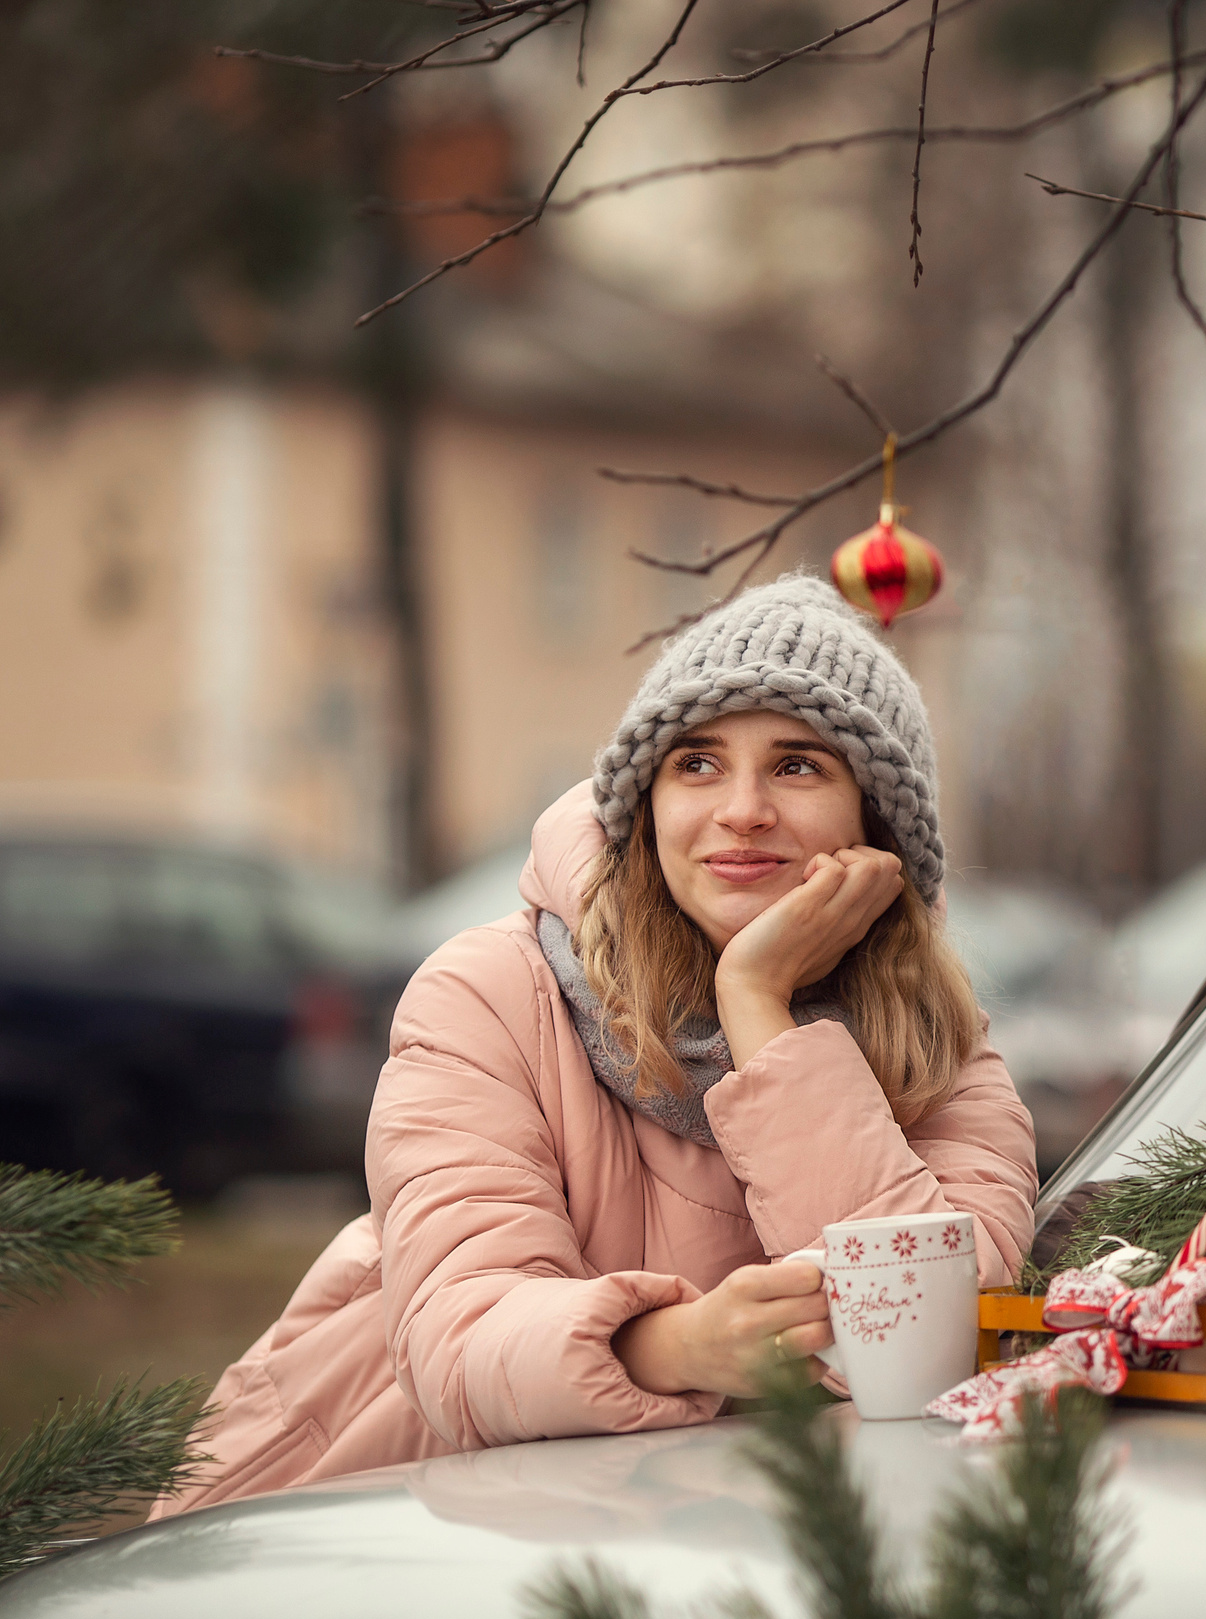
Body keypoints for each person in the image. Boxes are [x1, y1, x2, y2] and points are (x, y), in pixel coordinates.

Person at [156, 576, 1036, 1515]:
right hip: (356, 1517)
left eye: (797, 765)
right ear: (645, 804)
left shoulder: (938, 1047)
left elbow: (944, 1336)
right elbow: (459, 1335)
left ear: (877, 823)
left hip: (715, 1542)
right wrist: (676, 1345)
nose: (742, 809)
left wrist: (758, 1007)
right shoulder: (490, 994)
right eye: (697, 762)